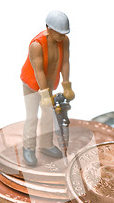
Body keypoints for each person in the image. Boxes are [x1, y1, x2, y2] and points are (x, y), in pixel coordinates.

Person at [20, 11, 75, 166]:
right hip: (32, 84)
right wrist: (44, 94)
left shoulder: (64, 41)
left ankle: (45, 144)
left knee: (48, 114)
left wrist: (66, 84)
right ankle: (28, 148)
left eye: (64, 34)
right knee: (32, 117)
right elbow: (38, 72)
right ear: (49, 29)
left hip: (49, 82)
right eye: (59, 33)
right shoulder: (36, 45)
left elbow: (65, 62)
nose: (62, 37)